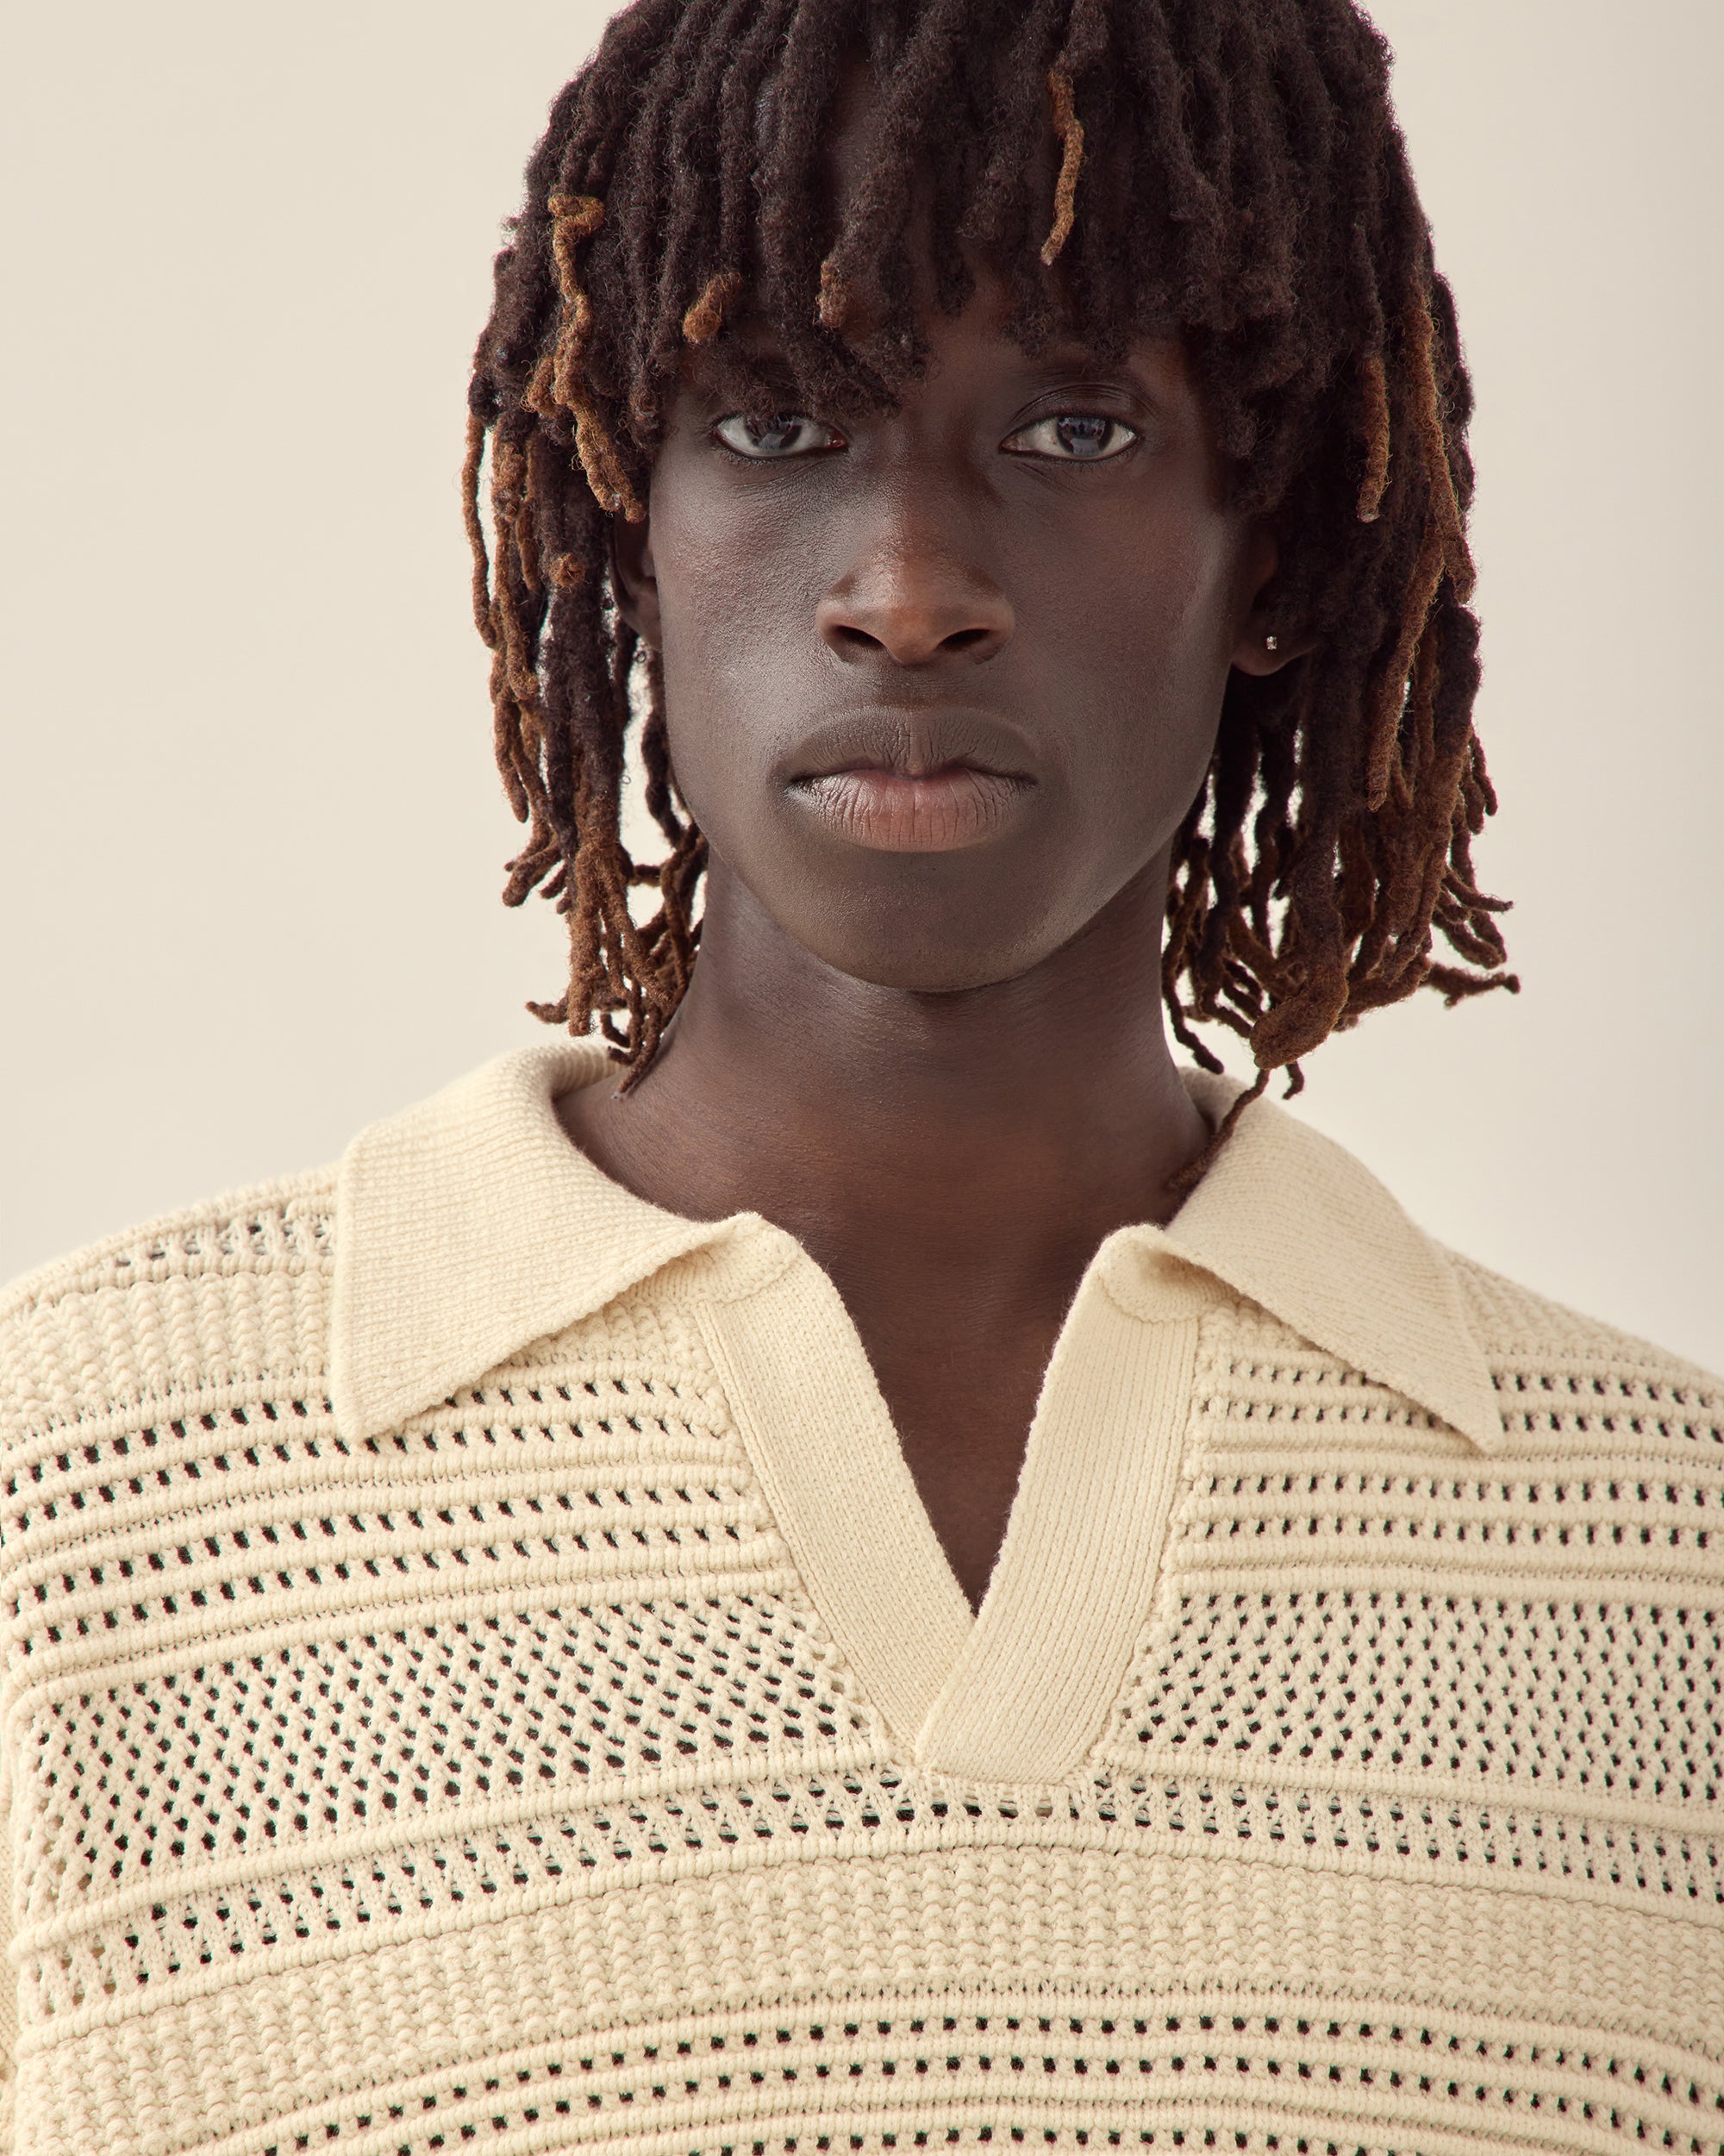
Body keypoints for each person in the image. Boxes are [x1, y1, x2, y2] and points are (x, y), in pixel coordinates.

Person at [0, 0, 1717, 2148]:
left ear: (1274, 550)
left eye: (1073, 429)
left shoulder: (1671, 1567)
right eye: (778, 423)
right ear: (623, 516)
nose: (907, 596)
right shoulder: (70, 1508)